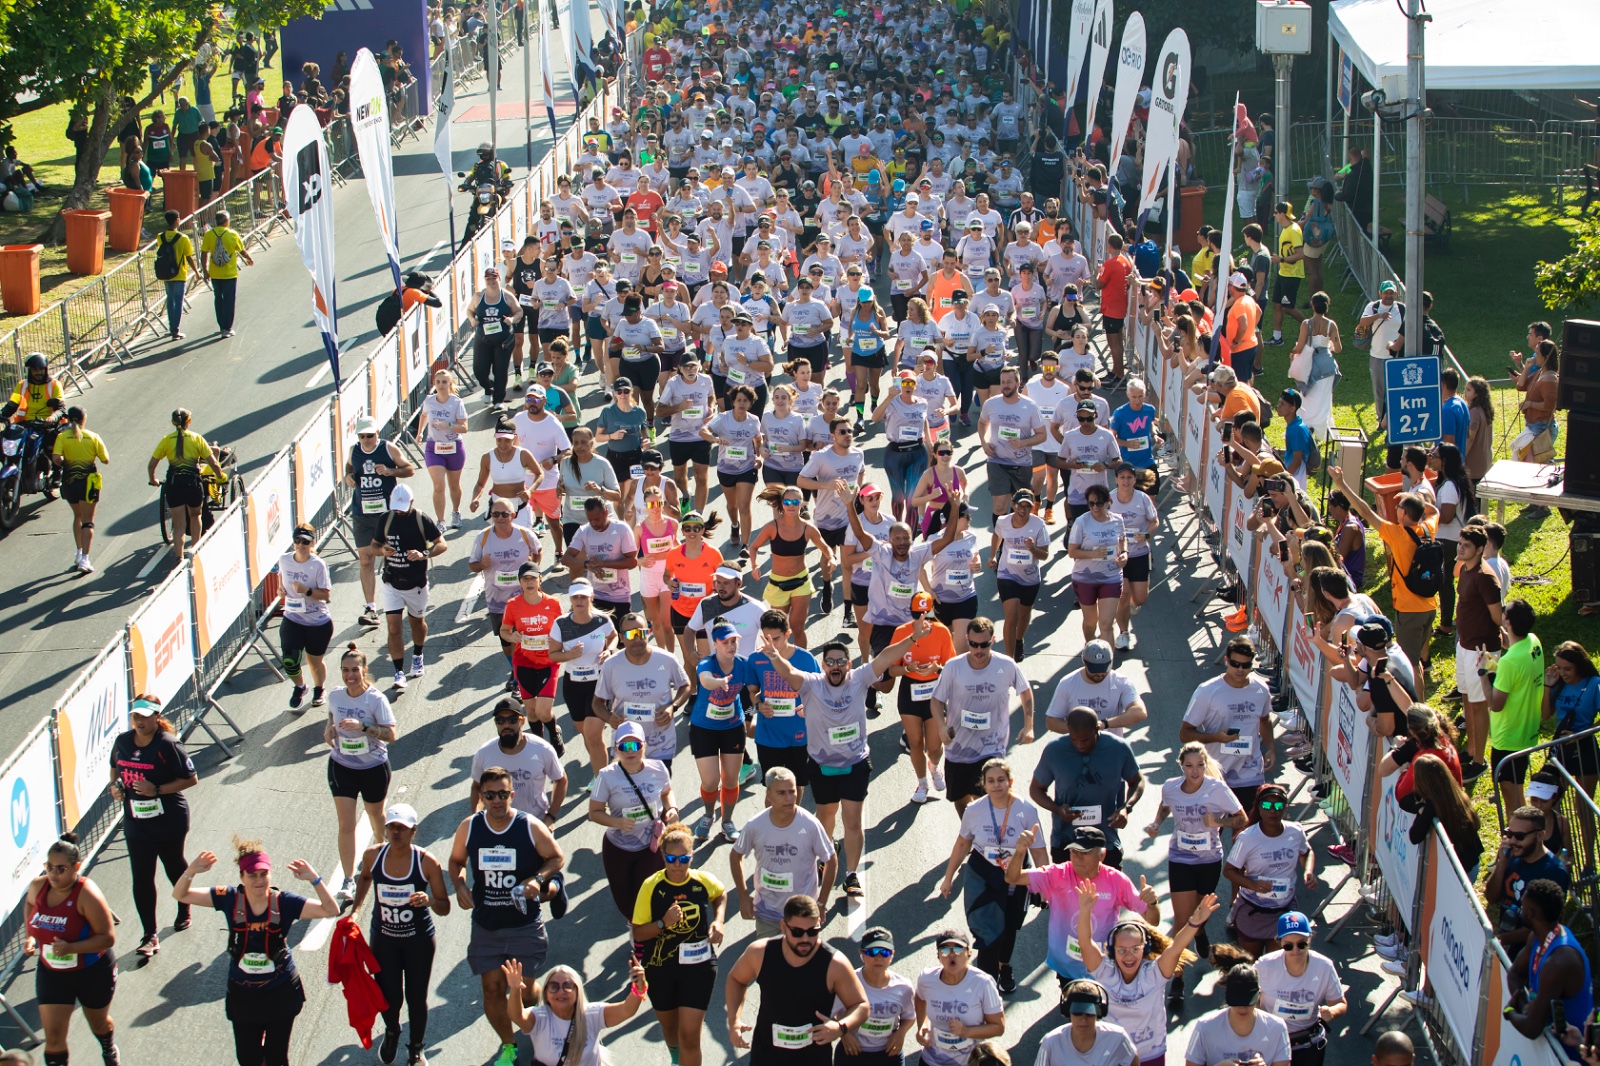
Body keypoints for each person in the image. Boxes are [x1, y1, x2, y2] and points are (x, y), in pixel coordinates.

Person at [759, 623, 928, 899]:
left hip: (855, 765)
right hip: (822, 767)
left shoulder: (859, 679)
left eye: (841, 661)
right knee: (825, 820)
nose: (835, 666)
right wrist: (774, 656)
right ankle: (826, 860)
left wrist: (912, 638)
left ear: (848, 665)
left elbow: (885, 656)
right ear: (823, 666)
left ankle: (851, 874)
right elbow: (789, 673)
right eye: (830, 662)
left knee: (852, 822)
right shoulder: (811, 685)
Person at [172, 837, 341, 1066]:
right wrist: (191, 870)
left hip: (280, 991)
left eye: (264, 874)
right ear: (242, 877)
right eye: (252, 875)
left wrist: (315, 879)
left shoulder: (285, 902)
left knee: (277, 1058)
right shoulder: (229, 897)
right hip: (243, 995)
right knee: (248, 1060)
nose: (259, 880)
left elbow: (331, 909)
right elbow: (181, 895)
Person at [447, 766, 566, 1066]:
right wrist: (459, 884)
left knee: (524, 992)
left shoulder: (528, 825)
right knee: (492, 988)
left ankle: (541, 1021)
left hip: (524, 923)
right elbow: (456, 861)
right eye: (490, 795)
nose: (497, 801)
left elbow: (556, 857)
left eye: (502, 794)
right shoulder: (470, 827)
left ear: (512, 794)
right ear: (482, 797)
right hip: (487, 925)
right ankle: (509, 1046)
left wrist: (537, 880)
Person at [349, 804, 451, 1066]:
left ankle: (416, 1049)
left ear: (413, 831)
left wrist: (428, 900)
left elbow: (444, 906)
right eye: (392, 827)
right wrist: (356, 912)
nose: (396, 832)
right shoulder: (373, 856)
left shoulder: (427, 862)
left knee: (416, 998)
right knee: (388, 998)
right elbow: (364, 878)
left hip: (418, 941)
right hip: (384, 940)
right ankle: (392, 1030)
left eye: (402, 828)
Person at [939, 758, 1049, 993]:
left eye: (1001, 780)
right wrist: (947, 878)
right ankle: (985, 982)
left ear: (1010, 782)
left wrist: (1044, 884)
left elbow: (1039, 851)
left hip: (1016, 873)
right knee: (988, 929)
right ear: (984, 784)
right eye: (991, 781)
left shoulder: (1025, 810)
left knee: (1009, 926)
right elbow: (962, 844)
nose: (996, 785)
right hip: (983, 873)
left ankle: (1004, 967)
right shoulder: (974, 810)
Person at [1007, 824, 1160, 985]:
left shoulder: (1116, 880)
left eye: (1085, 853)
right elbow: (1013, 878)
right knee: (1073, 1008)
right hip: (1066, 966)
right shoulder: (1058, 874)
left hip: (1103, 968)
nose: (1077, 858)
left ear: (1102, 855)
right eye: (1074, 851)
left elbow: (1153, 920)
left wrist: (1152, 903)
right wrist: (1020, 851)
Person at [725, 894, 869, 1061]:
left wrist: (840, 1027)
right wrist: (734, 1020)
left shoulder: (835, 964)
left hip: (812, 1059)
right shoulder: (760, 953)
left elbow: (861, 1005)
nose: (805, 939)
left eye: (812, 931)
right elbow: (736, 979)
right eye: (797, 932)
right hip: (766, 1056)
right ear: (784, 927)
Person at [631, 820, 727, 1066]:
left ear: (691, 856)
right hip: (660, 968)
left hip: (699, 967)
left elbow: (721, 894)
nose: (677, 865)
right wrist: (663, 923)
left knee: (690, 1037)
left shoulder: (702, 881)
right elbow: (639, 934)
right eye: (671, 859)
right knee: (671, 1028)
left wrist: (718, 921)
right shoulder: (651, 886)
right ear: (662, 856)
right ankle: (675, 1056)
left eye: (683, 859)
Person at [109, 695, 198, 959]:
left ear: (156, 717)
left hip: (169, 818)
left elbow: (191, 779)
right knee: (142, 876)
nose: (139, 721)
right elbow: (115, 769)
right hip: (136, 823)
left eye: (145, 716)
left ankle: (184, 906)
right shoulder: (123, 742)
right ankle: (149, 934)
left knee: (173, 865)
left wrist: (156, 790)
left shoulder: (167, 744)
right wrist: (115, 787)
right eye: (135, 715)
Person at [1079, 884, 1214, 1054]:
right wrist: (1084, 911)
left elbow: (1176, 948)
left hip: (1150, 1054)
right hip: (1112, 1054)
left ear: (1145, 949)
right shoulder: (1105, 971)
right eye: (1122, 950)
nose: (1129, 956)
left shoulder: (1154, 973)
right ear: (1113, 950)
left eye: (1135, 949)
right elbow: (1085, 943)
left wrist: (1193, 924)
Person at [1146, 741, 1246, 969]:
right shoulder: (1171, 787)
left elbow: (1242, 819)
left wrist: (1218, 822)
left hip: (1208, 859)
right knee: (1182, 920)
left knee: (1199, 913)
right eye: (1189, 765)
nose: (1195, 771)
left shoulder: (1217, 789)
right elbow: (1165, 806)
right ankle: (1177, 976)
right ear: (1181, 765)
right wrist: (1156, 823)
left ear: (1205, 765)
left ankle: (1199, 931)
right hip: (1180, 857)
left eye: (1200, 765)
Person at [23, 834, 121, 1066]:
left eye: (61, 869)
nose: (54, 875)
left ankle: (108, 1047)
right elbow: (29, 904)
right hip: (52, 972)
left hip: (92, 971)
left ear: (76, 867)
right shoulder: (38, 886)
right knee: (54, 1037)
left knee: (98, 1024)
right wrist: (30, 937)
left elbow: (107, 938)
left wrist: (71, 948)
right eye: (49, 867)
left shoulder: (87, 893)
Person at [930, 619, 1035, 813]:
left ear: (993, 640)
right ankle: (971, 836)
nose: (979, 650)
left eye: (984, 645)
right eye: (974, 644)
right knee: (961, 800)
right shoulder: (954, 667)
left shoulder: (1005, 665)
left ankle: (984, 841)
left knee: (985, 800)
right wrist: (941, 726)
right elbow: (936, 700)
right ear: (967, 640)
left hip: (991, 747)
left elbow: (1026, 692)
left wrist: (1029, 726)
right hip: (959, 746)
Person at [731, 766, 836, 941]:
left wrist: (822, 903)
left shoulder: (810, 825)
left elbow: (831, 860)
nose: (789, 798)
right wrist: (743, 896)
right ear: (769, 795)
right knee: (769, 963)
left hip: (803, 913)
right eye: (781, 793)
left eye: (792, 792)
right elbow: (735, 856)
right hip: (767, 912)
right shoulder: (755, 825)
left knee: (803, 963)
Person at [1032, 708, 1145, 869]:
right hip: (1066, 842)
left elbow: (1138, 781)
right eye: (1074, 739)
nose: (1079, 745)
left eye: (1085, 740)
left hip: (1106, 843)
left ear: (1097, 729)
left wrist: (1126, 807)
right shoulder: (1054, 750)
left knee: (1109, 893)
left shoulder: (1119, 748)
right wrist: (1057, 809)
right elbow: (1036, 789)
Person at [1180, 636, 1275, 813]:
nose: (1240, 669)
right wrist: (1216, 737)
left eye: (1246, 665)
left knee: (1246, 829)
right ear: (1226, 661)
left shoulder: (1261, 690)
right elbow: (1185, 734)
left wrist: (1270, 748)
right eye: (1235, 663)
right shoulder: (1207, 691)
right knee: (1212, 829)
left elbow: (1264, 719)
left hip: (1250, 772)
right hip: (1215, 772)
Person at [1504, 878, 1594, 1060]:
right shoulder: (1537, 937)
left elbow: (1531, 1028)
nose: (1520, 909)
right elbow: (1514, 973)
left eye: (1523, 905)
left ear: (1531, 913)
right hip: (1550, 1051)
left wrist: (1510, 1012)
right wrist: (1523, 1005)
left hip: (1571, 1056)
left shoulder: (1558, 963)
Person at [1224, 785, 1314, 955]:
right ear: (1259, 807)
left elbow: (1306, 851)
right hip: (1253, 911)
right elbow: (1229, 871)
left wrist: (1308, 871)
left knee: (1277, 963)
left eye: (1278, 806)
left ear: (1285, 808)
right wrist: (1253, 884)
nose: (1273, 811)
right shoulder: (1247, 838)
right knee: (1252, 964)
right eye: (1267, 806)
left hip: (1284, 910)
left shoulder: (1295, 831)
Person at [689, 622, 758, 843]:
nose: (731, 646)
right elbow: (705, 680)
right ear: (715, 644)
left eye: (734, 641)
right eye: (725, 642)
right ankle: (708, 815)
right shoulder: (706, 663)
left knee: (730, 780)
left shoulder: (743, 664)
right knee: (710, 782)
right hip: (704, 728)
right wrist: (718, 682)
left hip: (732, 727)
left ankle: (727, 821)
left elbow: (757, 685)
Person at [346, 418, 417, 627]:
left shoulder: (388, 448)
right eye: (362, 436)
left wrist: (390, 471)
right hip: (361, 513)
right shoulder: (354, 450)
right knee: (366, 559)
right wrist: (348, 477)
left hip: (386, 514)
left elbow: (409, 469)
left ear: (377, 432)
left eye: (370, 435)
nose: (366, 440)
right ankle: (371, 608)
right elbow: (348, 469)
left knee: (391, 555)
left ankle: (402, 596)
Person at [374, 485, 446, 688]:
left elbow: (441, 543)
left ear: (412, 503)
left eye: (402, 507)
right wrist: (382, 551)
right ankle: (398, 672)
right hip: (392, 582)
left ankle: (417, 654)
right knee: (394, 628)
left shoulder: (421, 519)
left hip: (416, 583)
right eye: (396, 507)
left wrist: (423, 554)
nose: (398, 511)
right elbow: (374, 545)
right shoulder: (385, 519)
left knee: (417, 623)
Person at [595, 613, 690, 768]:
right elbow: (597, 703)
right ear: (621, 637)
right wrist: (609, 717)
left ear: (649, 632)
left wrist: (673, 707)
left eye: (641, 632)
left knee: (661, 792)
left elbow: (685, 686)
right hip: (627, 748)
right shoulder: (611, 665)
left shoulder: (667, 660)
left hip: (661, 744)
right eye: (631, 634)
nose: (637, 638)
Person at [547, 581, 618, 783]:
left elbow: (613, 636)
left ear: (591, 598)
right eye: (575, 597)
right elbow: (553, 655)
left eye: (583, 597)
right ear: (570, 599)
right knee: (588, 735)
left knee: (594, 735)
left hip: (599, 684)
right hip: (573, 685)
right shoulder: (561, 624)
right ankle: (601, 766)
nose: (579, 601)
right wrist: (569, 654)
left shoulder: (601, 620)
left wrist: (610, 650)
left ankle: (603, 782)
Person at [746, 613, 821, 798]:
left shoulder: (806, 659)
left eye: (776, 639)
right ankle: (771, 826)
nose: (771, 644)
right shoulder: (756, 659)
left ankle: (793, 823)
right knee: (773, 791)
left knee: (795, 786)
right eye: (766, 638)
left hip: (799, 737)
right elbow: (752, 692)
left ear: (788, 634)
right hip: (768, 737)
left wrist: (809, 706)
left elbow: (819, 692)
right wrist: (759, 704)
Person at [912, 928, 1007, 1065]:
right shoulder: (927, 979)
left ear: (968, 952)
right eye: (944, 950)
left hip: (968, 1062)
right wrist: (921, 1025)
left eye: (957, 949)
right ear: (938, 955)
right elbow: (920, 999)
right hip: (931, 1061)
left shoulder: (983, 983)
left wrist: (966, 1031)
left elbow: (999, 1027)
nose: (951, 955)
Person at [497, 562, 566, 748]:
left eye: (533, 578)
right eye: (525, 579)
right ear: (520, 582)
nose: (529, 582)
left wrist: (557, 640)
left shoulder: (553, 603)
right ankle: (540, 745)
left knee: (544, 712)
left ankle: (554, 731)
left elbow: (563, 629)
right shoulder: (513, 605)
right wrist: (512, 636)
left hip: (548, 661)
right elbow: (503, 630)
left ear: (540, 580)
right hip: (524, 661)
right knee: (532, 713)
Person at [470, 696, 565, 829]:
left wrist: (550, 817)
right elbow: (476, 787)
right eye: (500, 720)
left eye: (512, 720)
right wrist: (477, 818)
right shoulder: (484, 753)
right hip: (497, 826)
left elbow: (561, 780)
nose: (506, 725)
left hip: (535, 824)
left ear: (522, 722)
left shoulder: (542, 749)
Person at [1486, 806, 1570, 953]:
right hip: (1507, 948)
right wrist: (1501, 864)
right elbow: (1491, 897)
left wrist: (1501, 940)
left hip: (1530, 955)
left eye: (1519, 836)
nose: (1512, 840)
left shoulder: (1555, 872)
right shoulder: (1512, 857)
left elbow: (1544, 926)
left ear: (1540, 836)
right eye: (1509, 833)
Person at [1489, 599, 1545, 811]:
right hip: (1527, 731)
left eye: (1506, 612)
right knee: (1517, 789)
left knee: (1511, 797)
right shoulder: (1533, 641)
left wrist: (1485, 673)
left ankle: (1521, 838)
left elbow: (1495, 704)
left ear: (1508, 623)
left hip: (1508, 738)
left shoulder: (1509, 662)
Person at [149, 407, 225, 563]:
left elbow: (152, 465)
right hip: (192, 484)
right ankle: (195, 552)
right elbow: (214, 463)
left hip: (174, 484)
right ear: (189, 421)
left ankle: (179, 556)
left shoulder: (166, 440)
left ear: (172, 422)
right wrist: (221, 477)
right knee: (196, 516)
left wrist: (153, 479)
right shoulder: (196, 439)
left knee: (179, 524)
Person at [1182, 965, 1293, 1066]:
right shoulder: (1204, 1026)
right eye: (1237, 1001)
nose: (1242, 1007)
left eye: (1247, 1002)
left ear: (1258, 994)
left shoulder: (1277, 1027)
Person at [834, 928, 916, 1065]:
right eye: (872, 952)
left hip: (888, 1054)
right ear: (862, 954)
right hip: (853, 1052)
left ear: (892, 955)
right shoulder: (848, 982)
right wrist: (844, 1034)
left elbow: (909, 1017)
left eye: (885, 952)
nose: (879, 958)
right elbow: (832, 1014)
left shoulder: (904, 987)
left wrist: (901, 1033)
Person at [1066, 483, 1128, 645]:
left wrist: (1124, 554)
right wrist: (1093, 554)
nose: (1095, 507)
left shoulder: (1117, 520)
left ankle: (1106, 667)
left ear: (1108, 502)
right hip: (1085, 577)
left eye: (1099, 503)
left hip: (1111, 576)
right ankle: (1091, 650)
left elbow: (1122, 539)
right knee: (1090, 622)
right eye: (1091, 503)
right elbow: (1072, 552)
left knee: (1106, 624)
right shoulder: (1082, 522)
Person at [51, 406, 108, 574]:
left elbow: (56, 458)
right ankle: (85, 558)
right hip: (88, 484)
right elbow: (105, 460)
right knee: (88, 522)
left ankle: (78, 553)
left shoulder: (62, 437)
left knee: (77, 516)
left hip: (69, 482)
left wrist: (68, 465)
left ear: (68, 419)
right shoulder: (93, 437)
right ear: (84, 419)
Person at [1033, 979, 1138, 1066]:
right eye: (1077, 1013)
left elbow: (1133, 1060)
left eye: (1089, 1013)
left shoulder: (1118, 1038)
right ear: (1067, 1011)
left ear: (1100, 1012)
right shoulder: (1050, 1043)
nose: (1083, 1020)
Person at [420, 367, 469, 527]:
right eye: (438, 382)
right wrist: (420, 432)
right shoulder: (429, 401)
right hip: (434, 448)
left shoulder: (456, 402)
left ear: (450, 384)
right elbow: (424, 415)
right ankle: (440, 521)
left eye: (444, 382)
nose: (441, 385)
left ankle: (456, 512)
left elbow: (464, 427)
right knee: (439, 485)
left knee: (454, 485)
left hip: (454, 447)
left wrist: (448, 425)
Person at [471, 267, 524, 410]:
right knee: (479, 370)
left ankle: (498, 399)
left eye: (494, 278)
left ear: (499, 279)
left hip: (503, 340)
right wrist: (472, 319)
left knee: (500, 370)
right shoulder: (478, 296)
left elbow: (519, 311)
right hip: (483, 338)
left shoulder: (507, 296)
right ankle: (489, 388)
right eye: (488, 279)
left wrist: (512, 320)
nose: (491, 281)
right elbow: (470, 310)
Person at [198, 210, 254, 336]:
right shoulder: (232, 234)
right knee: (229, 299)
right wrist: (249, 258)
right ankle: (227, 328)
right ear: (227, 221)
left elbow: (204, 253)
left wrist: (205, 270)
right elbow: (241, 250)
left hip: (215, 273)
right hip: (229, 273)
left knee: (218, 298)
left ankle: (221, 324)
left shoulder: (208, 235)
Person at [154, 209, 197, 339]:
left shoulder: (160, 236)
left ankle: (171, 326)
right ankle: (175, 330)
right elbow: (188, 256)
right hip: (179, 273)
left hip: (166, 273)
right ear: (177, 220)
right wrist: (196, 271)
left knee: (170, 299)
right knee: (178, 302)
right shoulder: (183, 238)